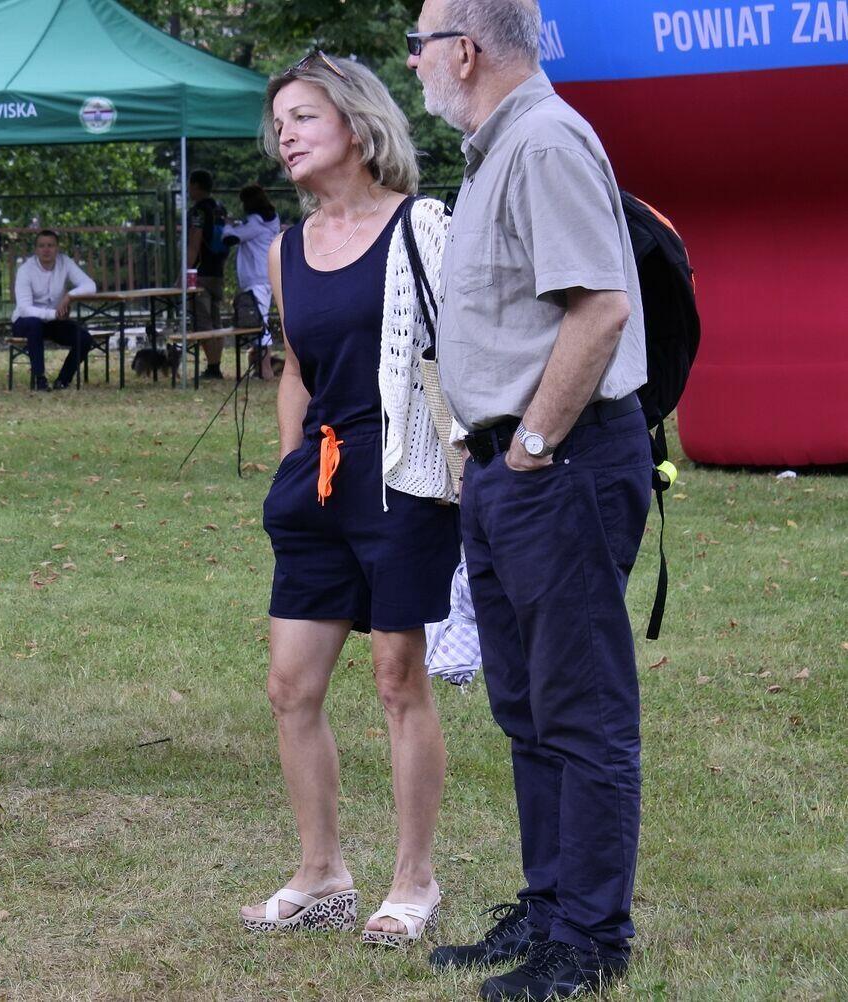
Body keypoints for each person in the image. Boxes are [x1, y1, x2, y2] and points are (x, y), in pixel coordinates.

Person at [409, 1, 651, 998]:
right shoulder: (496, 150)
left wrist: (532, 445)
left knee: (580, 709)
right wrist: (491, 454)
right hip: (512, 468)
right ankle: (552, 908)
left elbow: (602, 310)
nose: (412, 61)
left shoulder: (545, 141)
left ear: (464, 51)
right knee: (529, 706)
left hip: (559, 463)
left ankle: (590, 942)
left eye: (419, 42)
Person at [242, 52, 461, 948]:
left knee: (398, 678)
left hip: (402, 476)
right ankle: (322, 872)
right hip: (319, 484)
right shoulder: (286, 248)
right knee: (290, 686)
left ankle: (415, 880)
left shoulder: (424, 226)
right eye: (279, 124)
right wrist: (291, 469)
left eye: (303, 117)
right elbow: (297, 367)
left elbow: (463, 355)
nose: (285, 136)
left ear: (359, 124)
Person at [11, 230, 97, 391]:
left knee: (84, 338)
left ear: (57, 248)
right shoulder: (25, 270)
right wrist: (54, 314)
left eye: (50, 245)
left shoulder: (65, 262)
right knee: (35, 325)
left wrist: (69, 296)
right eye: (42, 246)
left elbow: (90, 286)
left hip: (53, 322)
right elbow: (24, 309)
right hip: (25, 322)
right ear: (36, 249)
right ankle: (40, 379)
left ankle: (63, 380)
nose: (46, 250)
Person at [222, 184, 280, 379]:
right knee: (259, 321)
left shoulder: (254, 224)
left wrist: (228, 224)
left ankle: (265, 369)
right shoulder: (269, 220)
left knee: (259, 324)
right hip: (264, 277)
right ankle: (261, 368)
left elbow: (229, 239)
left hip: (257, 280)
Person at [186, 169, 230, 379]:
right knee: (216, 319)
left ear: (196, 185)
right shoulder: (220, 208)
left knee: (202, 320)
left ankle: (212, 367)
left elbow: (194, 244)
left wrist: (184, 273)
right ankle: (215, 364)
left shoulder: (198, 212)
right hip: (217, 272)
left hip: (200, 274)